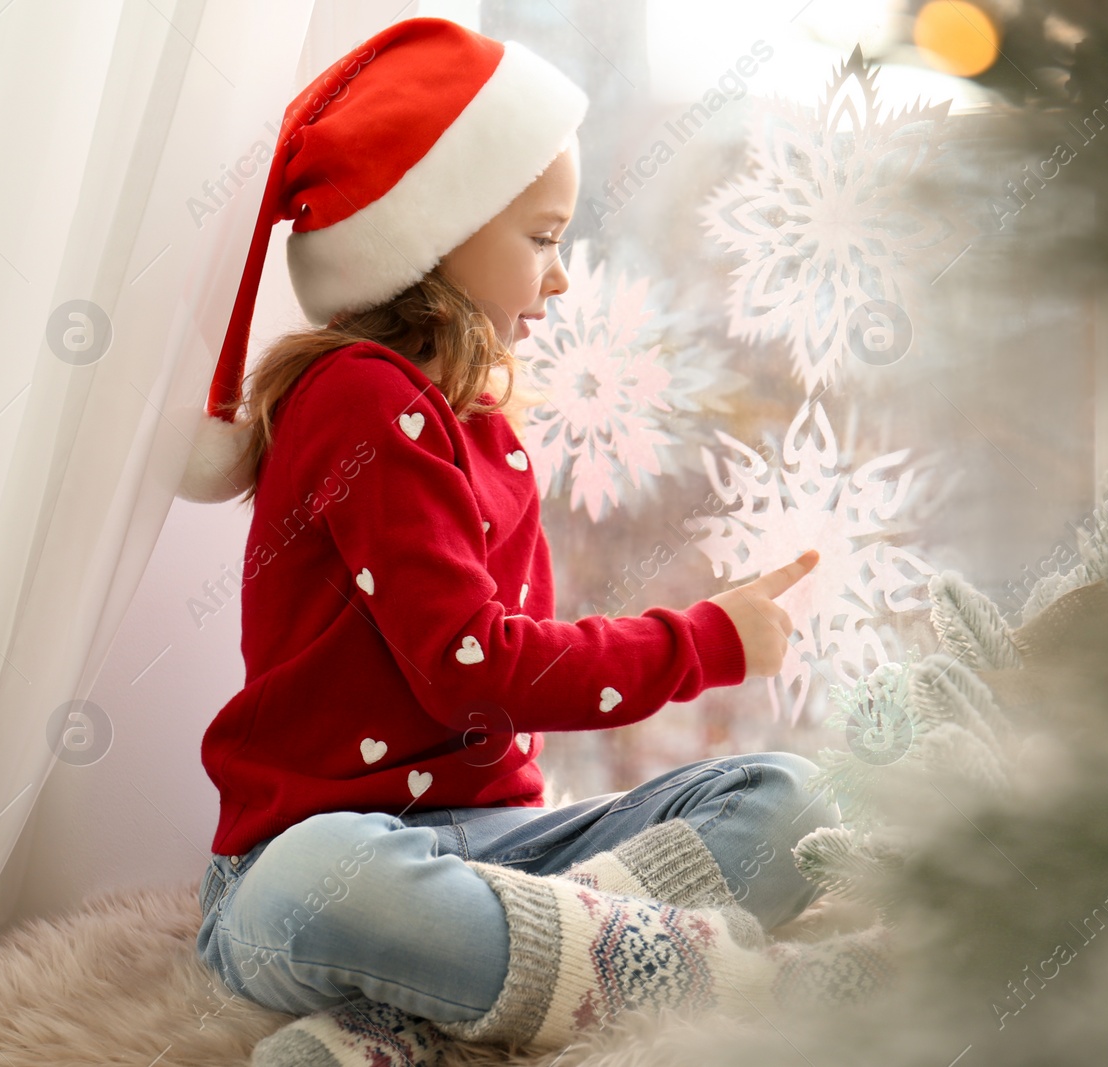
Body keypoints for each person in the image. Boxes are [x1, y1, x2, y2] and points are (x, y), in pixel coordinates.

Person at [180, 18, 893, 1063]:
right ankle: (707, 979)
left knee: (790, 802)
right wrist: (703, 640)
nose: (559, 279)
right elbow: (474, 669)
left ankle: (419, 1020)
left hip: (500, 857)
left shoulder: (477, 427)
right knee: (310, 885)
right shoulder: (361, 401)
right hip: (318, 863)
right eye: (543, 238)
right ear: (437, 232)